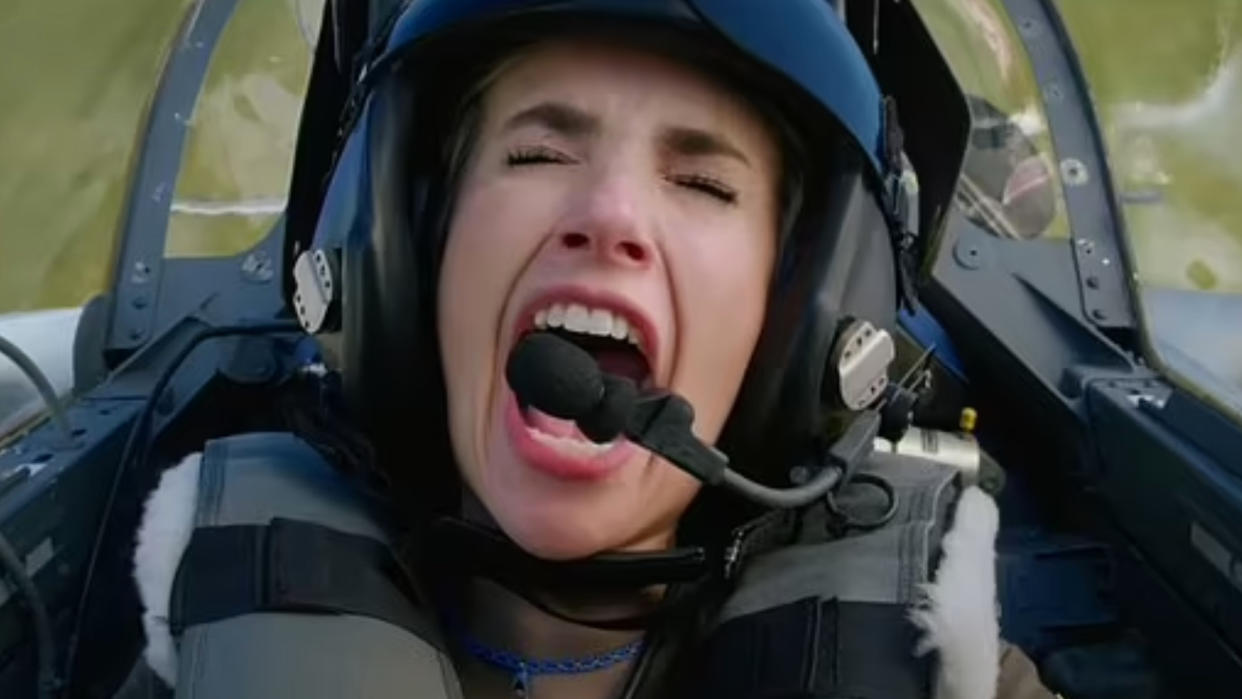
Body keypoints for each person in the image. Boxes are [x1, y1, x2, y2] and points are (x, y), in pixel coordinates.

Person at [125, 2, 1056, 698]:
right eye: (537, 156)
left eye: (701, 180)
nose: (609, 217)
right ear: (413, 258)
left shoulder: (945, 661)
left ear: (793, 320)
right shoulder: (217, 606)